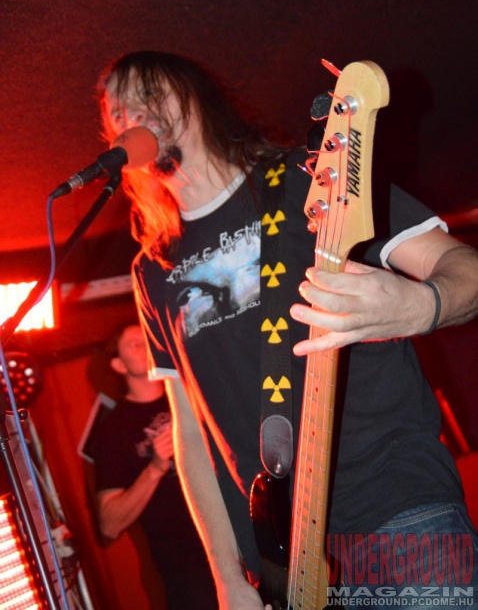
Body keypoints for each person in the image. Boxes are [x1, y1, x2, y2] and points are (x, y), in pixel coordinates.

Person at [96, 50, 478, 609]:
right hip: (282, 563)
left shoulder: (311, 179)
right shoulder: (152, 268)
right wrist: (227, 577)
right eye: (119, 113)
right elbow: (192, 434)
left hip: (395, 513)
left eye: (149, 96)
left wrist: (421, 305)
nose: (133, 117)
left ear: (198, 98)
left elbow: (465, 268)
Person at [92, 322, 218, 609]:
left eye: (147, 339)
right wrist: (156, 468)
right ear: (119, 364)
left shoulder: (192, 394)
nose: (145, 347)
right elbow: (109, 524)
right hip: (187, 567)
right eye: (134, 344)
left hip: (236, 540)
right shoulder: (112, 430)